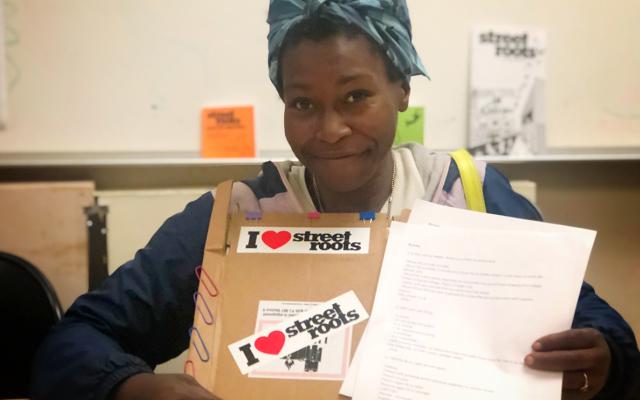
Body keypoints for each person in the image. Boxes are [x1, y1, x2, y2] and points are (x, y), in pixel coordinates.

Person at [31, 1, 640, 399]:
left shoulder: (467, 195)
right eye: (303, 103)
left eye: (355, 97)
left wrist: (604, 356)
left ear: (401, 90)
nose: (328, 130)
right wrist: (139, 388)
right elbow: (71, 344)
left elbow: (596, 328)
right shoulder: (237, 215)